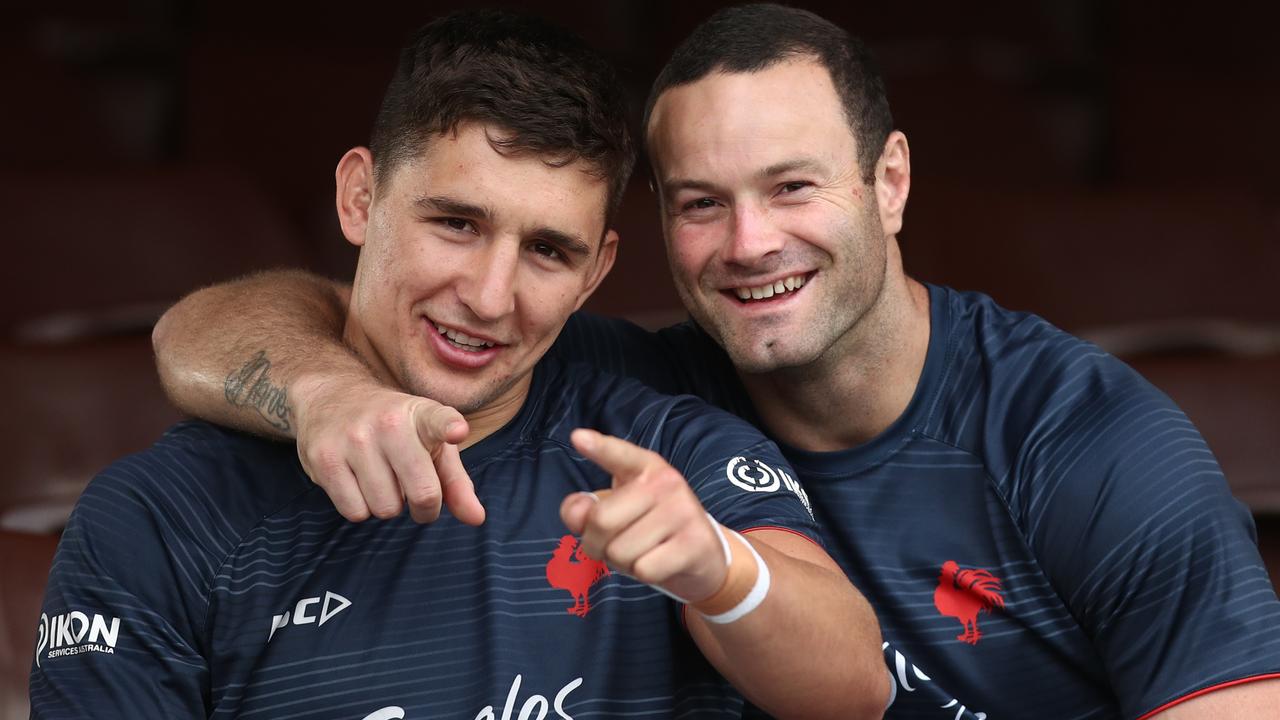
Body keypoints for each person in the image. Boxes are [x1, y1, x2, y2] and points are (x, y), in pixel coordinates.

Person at [149, 4, 1280, 719]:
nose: (749, 244)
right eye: (701, 203)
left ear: (886, 183)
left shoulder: (1083, 441)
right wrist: (322, 391)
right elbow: (215, 330)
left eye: (792, 187)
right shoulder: (639, 392)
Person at [30, 10, 890, 719]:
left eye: (549, 251)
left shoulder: (666, 442)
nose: (488, 295)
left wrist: (719, 571)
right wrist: (321, 393)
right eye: (456, 223)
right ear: (359, 198)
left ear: (597, 271)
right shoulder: (158, 517)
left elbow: (856, 688)